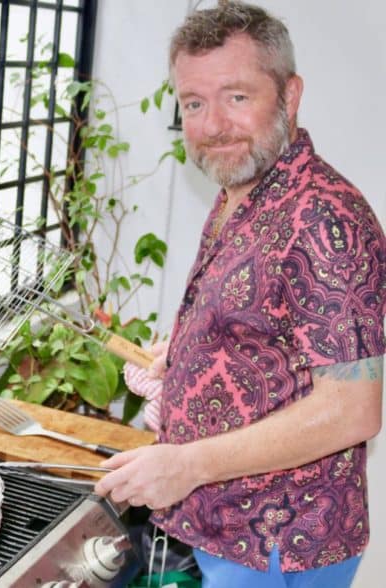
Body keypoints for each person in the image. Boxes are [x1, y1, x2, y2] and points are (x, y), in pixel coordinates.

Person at [94, 2, 386, 587]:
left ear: (290, 94)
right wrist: (182, 358)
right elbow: (261, 331)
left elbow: (352, 409)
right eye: (194, 103)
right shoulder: (243, 187)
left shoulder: (324, 219)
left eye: (237, 97)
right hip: (224, 527)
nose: (212, 126)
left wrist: (184, 463)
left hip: (275, 541)